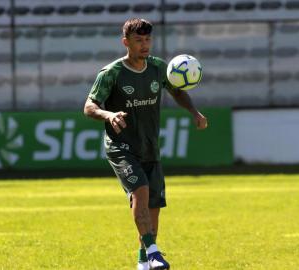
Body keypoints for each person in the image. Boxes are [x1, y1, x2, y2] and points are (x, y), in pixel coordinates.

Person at [83, 18, 208, 270]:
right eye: (138, 40)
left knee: (154, 205)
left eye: (148, 39)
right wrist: (109, 115)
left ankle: (143, 262)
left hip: (149, 145)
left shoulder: (159, 68)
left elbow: (177, 91)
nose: (144, 45)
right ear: (125, 42)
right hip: (121, 147)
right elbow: (89, 106)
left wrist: (194, 112)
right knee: (140, 191)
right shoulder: (112, 73)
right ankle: (153, 251)